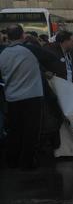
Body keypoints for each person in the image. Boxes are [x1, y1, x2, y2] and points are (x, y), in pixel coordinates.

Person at [0, 25, 47, 169]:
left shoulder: (2, 53)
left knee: (15, 130)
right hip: (32, 97)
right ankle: (27, 162)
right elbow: (51, 58)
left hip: (12, 98)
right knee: (31, 131)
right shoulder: (30, 49)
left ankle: (12, 159)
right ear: (22, 35)